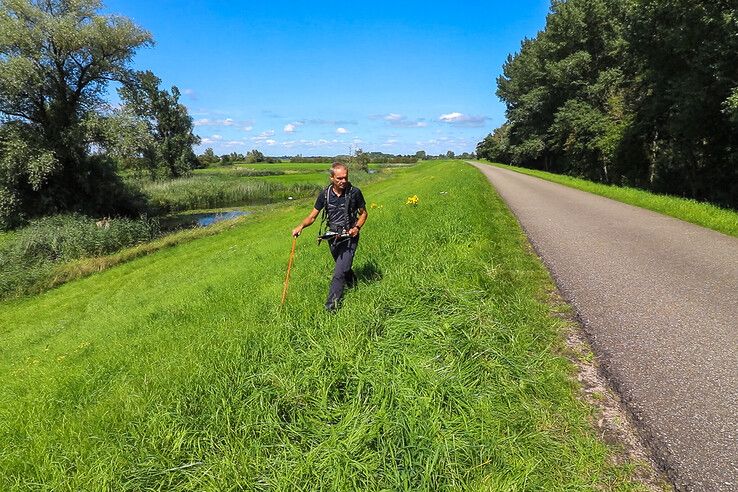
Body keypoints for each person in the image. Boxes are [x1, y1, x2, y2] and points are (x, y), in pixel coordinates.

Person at [292, 162, 368, 311]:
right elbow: (313, 216)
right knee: (344, 268)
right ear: (332, 178)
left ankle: (331, 308)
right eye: (339, 178)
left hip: (350, 236)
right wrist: (300, 226)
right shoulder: (324, 194)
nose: (343, 181)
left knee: (339, 272)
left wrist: (357, 227)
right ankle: (354, 284)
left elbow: (364, 213)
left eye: (345, 178)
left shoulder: (355, 192)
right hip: (332, 237)